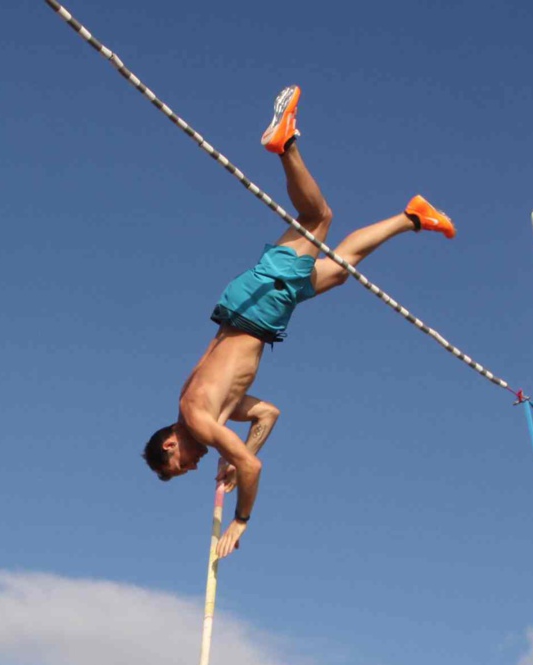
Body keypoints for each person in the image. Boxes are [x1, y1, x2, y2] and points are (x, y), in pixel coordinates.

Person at [143, 86, 456, 559]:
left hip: (254, 310)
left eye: (179, 467)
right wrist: (238, 452)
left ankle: (284, 142)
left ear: (170, 445)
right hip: (256, 313)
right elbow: (269, 413)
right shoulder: (209, 413)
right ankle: (413, 217)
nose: (190, 469)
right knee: (338, 271)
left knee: (318, 217)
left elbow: (253, 467)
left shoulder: (197, 419)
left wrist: (241, 518)